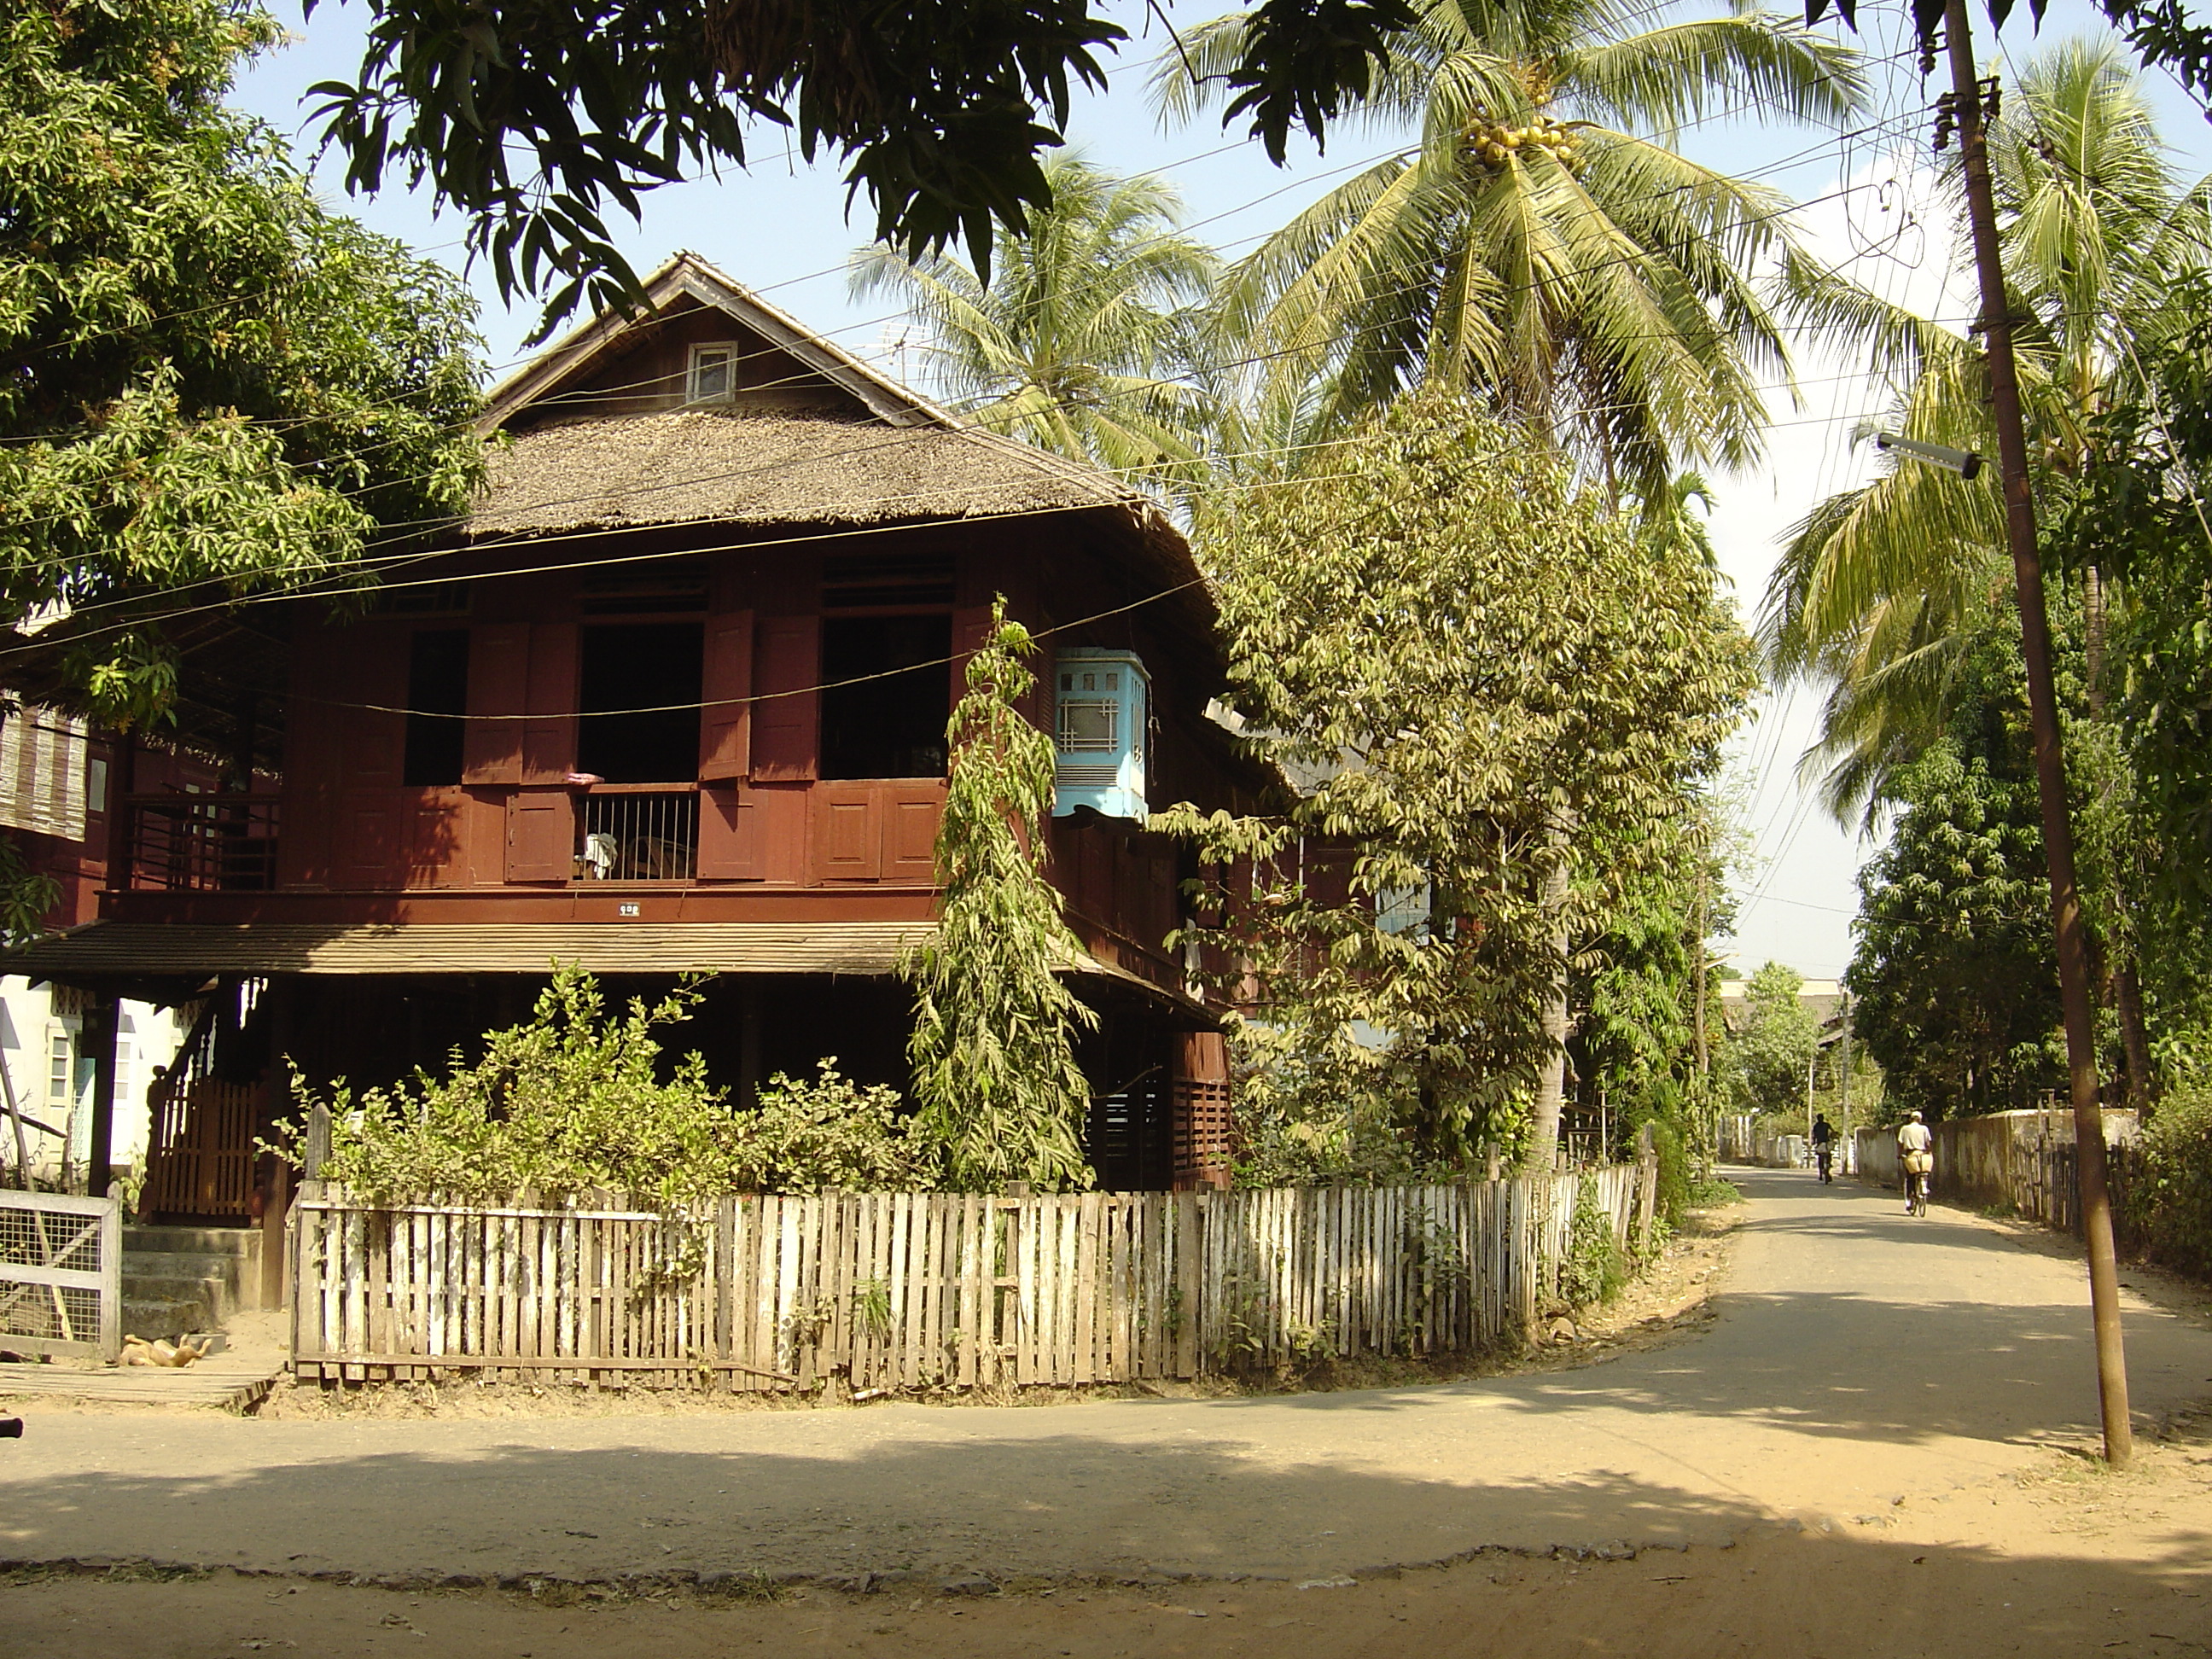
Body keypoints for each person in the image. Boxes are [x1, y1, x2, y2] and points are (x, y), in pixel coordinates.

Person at [1896, 1109, 1934, 1215]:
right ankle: (1925, 1187)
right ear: (1920, 1119)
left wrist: (1899, 1154)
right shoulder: (1924, 1128)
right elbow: (1928, 1143)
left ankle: (1910, 1198)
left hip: (1911, 1155)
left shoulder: (1905, 1129)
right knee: (1924, 1172)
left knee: (1910, 1177)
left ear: (1911, 1119)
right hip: (1922, 1154)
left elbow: (1900, 1143)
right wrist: (1929, 1153)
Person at [1810, 1113, 1836, 1183]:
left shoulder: (1816, 1126)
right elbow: (1833, 1131)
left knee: (1822, 1158)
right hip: (1824, 1142)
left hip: (1821, 1143)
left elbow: (1814, 1135)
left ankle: (1822, 1173)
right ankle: (1825, 1170)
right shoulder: (1825, 1125)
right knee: (1826, 1156)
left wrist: (1813, 1141)